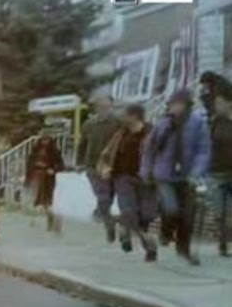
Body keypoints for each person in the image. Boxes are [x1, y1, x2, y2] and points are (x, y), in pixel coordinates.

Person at [140, 89, 211, 265]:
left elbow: (203, 150)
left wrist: (197, 171)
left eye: (179, 104)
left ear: (187, 105)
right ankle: (165, 233)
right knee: (171, 209)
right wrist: (146, 170)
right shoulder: (163, 123)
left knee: (187, 216)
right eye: (173, 104)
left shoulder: (197, 123)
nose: (175, 108)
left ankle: (183, 249)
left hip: (187, 176)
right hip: (164, 174)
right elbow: (149, 149)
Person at [97, 105, 157, 261]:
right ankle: (149, 248)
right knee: (129, 210)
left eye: (124, 115)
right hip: (122, 178)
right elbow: (106, 154)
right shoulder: (120, 134)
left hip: (146, 180)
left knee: (145, 216)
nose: (121, 118)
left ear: (134, 116)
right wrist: (105, 168)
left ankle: (124, 229)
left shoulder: (151, 133)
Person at [77, 95, 121, 242]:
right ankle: (108, 223)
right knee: (102, 193)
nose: (104, 110)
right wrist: (79, 162)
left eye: (107, 107)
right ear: (96, 108)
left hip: (111, 164)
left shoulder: (118, 123)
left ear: (111, 107)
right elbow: (82, 144)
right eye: (101, 107)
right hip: (92, 164)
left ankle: (99, 212)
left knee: (109, 193)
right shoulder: (88, 124)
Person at [24, 133, 64, 232]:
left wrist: (53, 170)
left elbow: (61, 165)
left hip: (48, 178)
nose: (45, 142)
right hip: (36, 176)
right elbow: (29, 163)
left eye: (47, 139)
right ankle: (44, 221)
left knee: (48, 201)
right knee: (39, 200)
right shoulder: (35, 151)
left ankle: (52, 221)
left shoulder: (54, 151)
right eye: (43, 139)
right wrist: (28, 177)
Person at [209, 87, 232, 257]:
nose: (217, 106)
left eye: (220, 103)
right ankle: (223, 243)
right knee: (218, 211)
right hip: (216, 171)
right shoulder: (216, 121)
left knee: (230, 211)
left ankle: (227, 244)